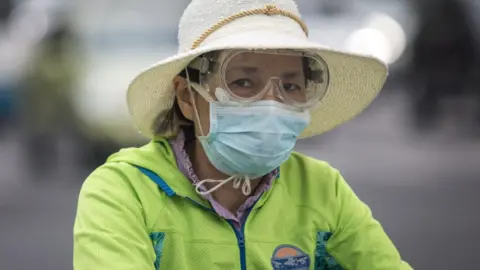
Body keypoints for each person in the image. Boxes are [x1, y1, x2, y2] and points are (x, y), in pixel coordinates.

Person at [73, 0, 412, 269]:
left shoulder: (323, 190)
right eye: (243, 83)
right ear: (188, 97)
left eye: (291, 86)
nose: (271, 104)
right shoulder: (124, 191)